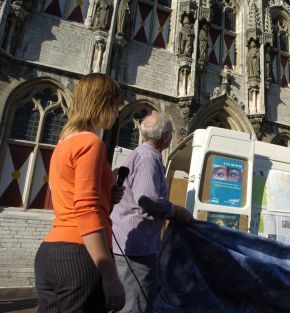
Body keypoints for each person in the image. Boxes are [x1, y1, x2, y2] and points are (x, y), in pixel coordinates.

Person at [35, 73, 126, 313]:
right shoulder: (91, 142)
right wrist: (110, 275)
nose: (118, 111)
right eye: (116, 105)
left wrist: (107, 190)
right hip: (79, 255)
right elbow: (85, 209)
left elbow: (65, 193)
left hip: (51, 252)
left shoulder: (64, 142)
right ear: (103, 104)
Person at [111, 111, 192, 313]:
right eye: (171, 133)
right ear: (165, 137)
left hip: (125, 240)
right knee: (134, 305)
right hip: (138, 246)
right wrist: (176, 211)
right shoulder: (149, 159)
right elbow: (149, 200)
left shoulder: (139, 153)